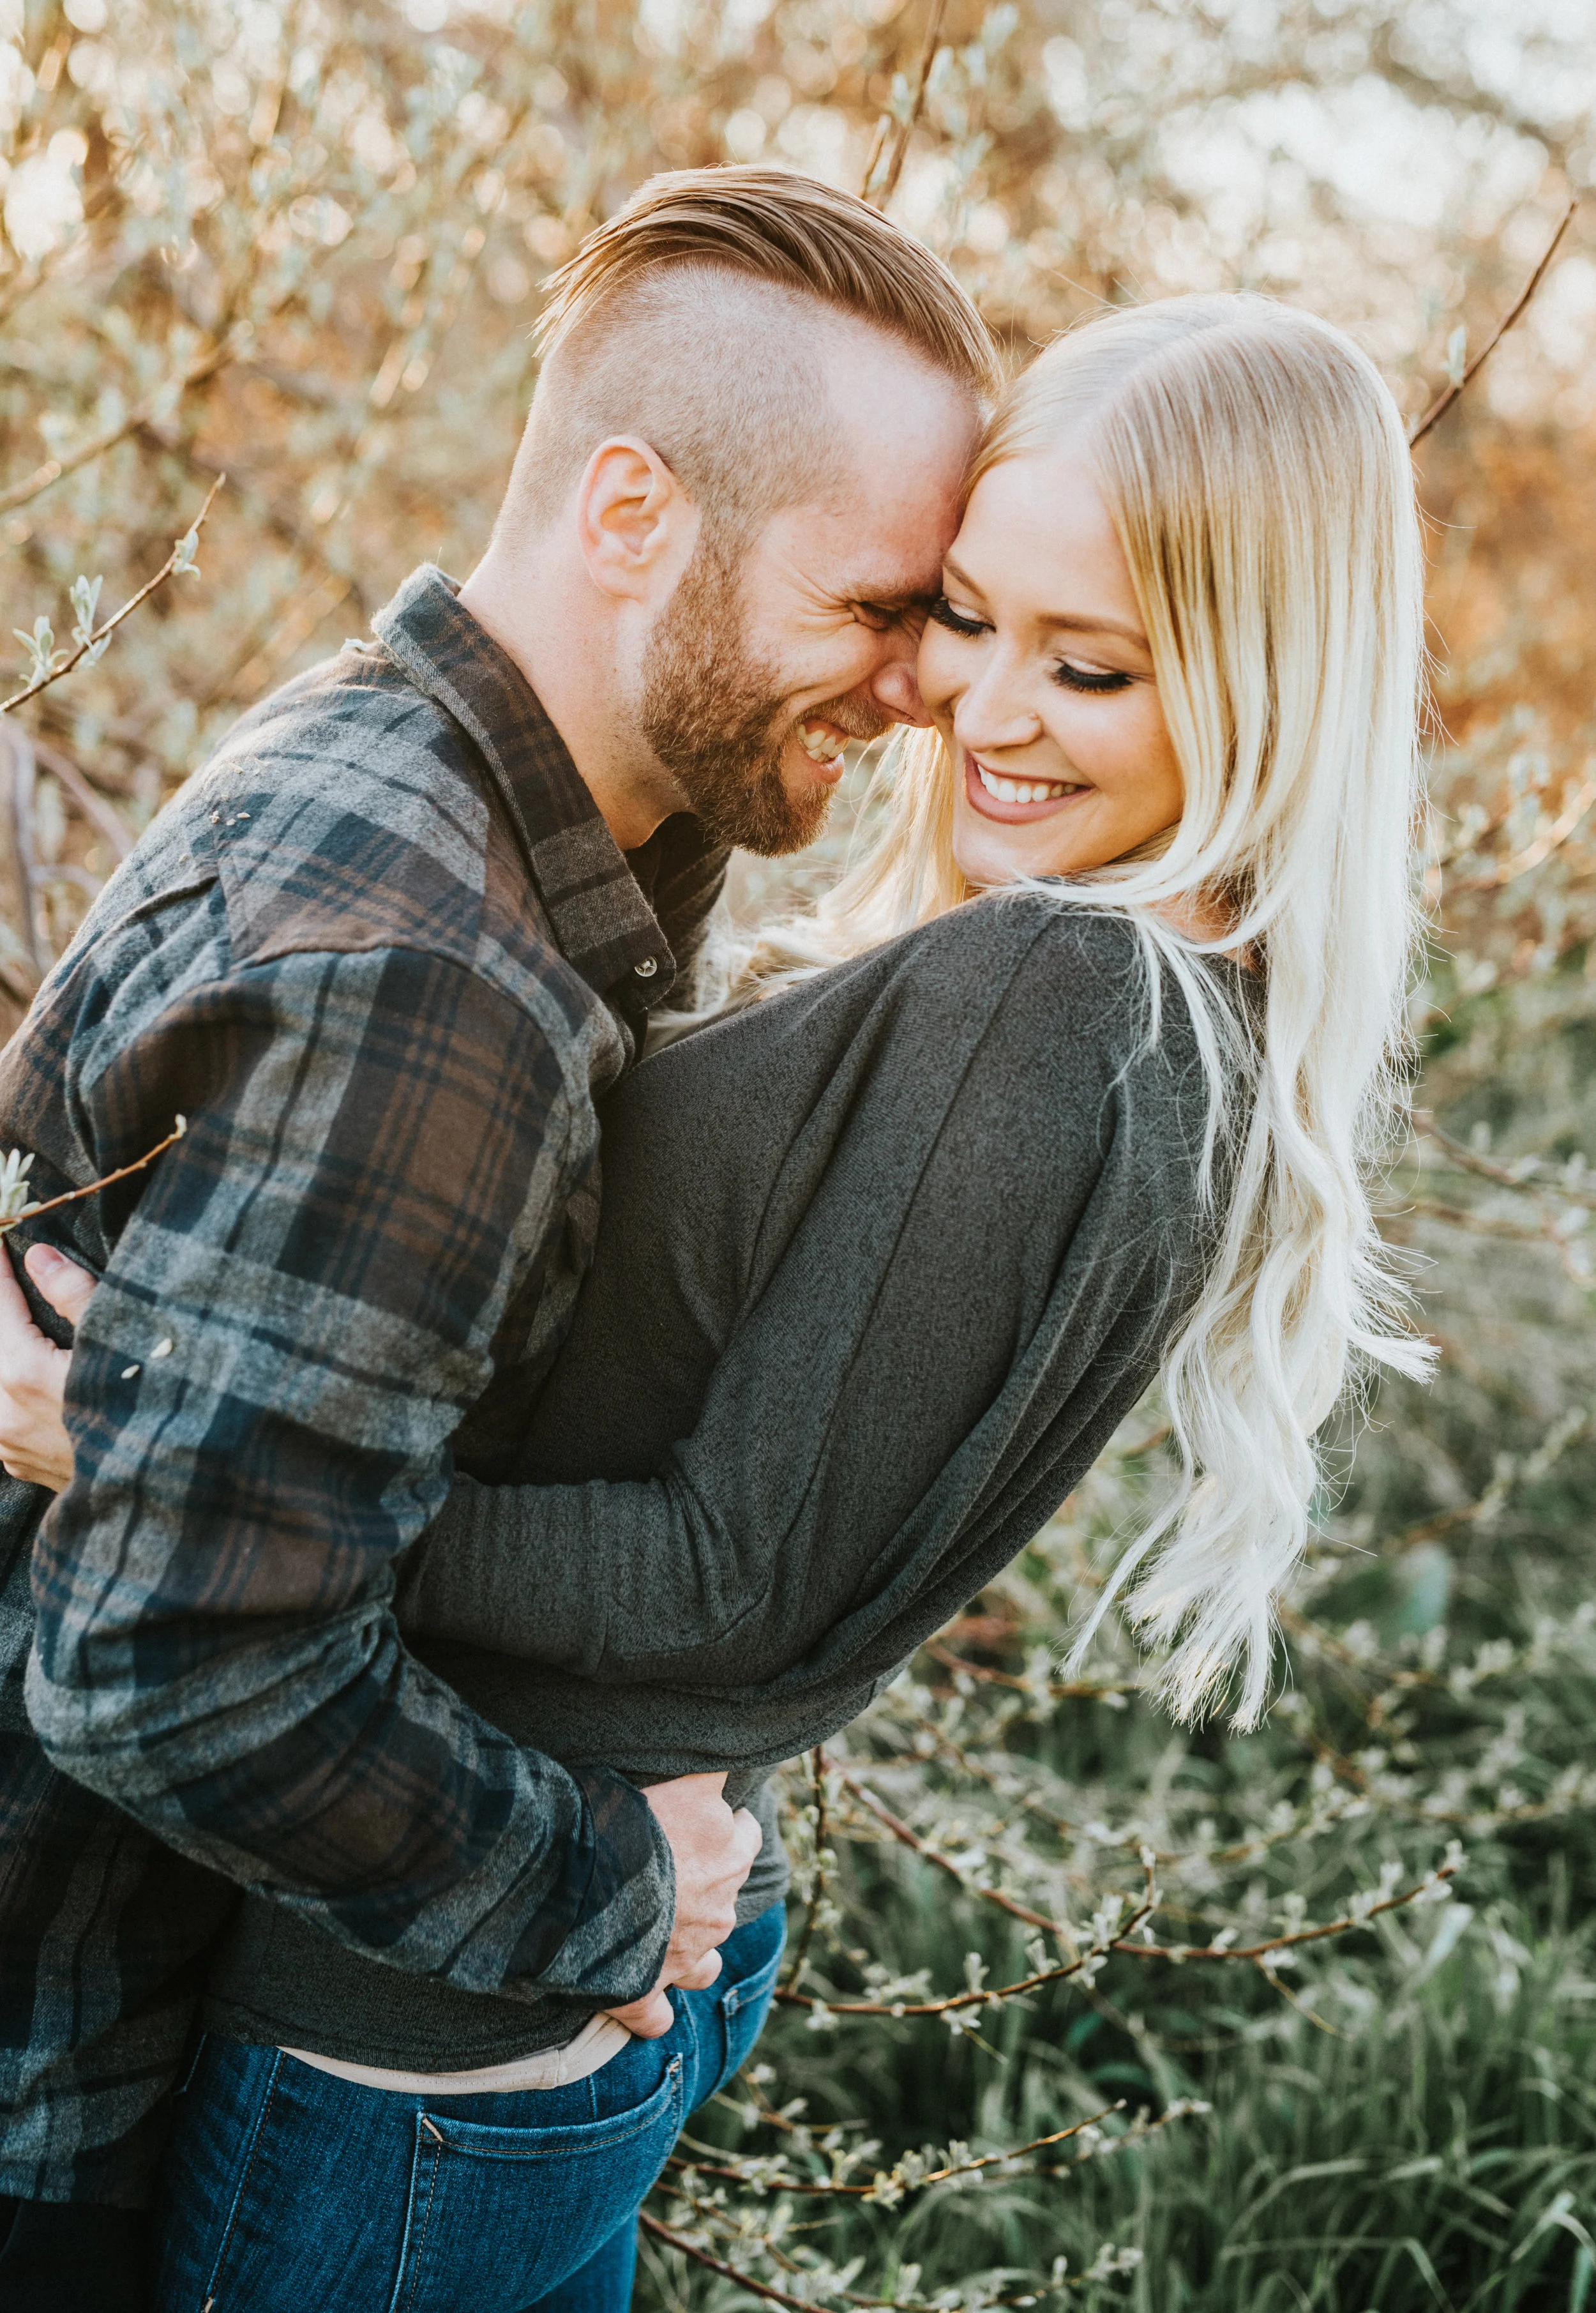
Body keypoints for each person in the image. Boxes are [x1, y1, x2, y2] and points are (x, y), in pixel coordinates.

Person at [0, 291, 1431, 2310]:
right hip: (529, 1946)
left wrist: (148, 1442)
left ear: (1264, 680)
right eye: (962, 616)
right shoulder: (1139, 1007)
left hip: (435, 2003)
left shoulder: (1060, 997)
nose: (977, 708)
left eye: (1085, 664)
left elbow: (728, 1579)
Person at [0, 167, 997, 2310]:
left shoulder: (463, 790)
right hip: (55, 2074)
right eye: (873, 606)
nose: (925, 687)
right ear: (630, 511)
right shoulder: (429, 968)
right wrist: (612, 1887)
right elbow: (178, 1669)